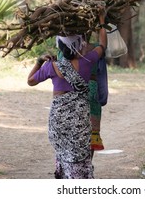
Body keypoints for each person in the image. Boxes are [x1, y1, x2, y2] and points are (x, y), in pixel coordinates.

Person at [27, 14, 107, 179]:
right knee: (79, 156)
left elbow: (30, 81)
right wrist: (101, 20)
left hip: (58, 121)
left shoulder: (51, 66)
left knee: (63, 153)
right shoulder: (87, 61)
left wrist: (39, 61)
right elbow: (103, 45)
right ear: (79, 45)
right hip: (79, 121)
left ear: (60, 47)